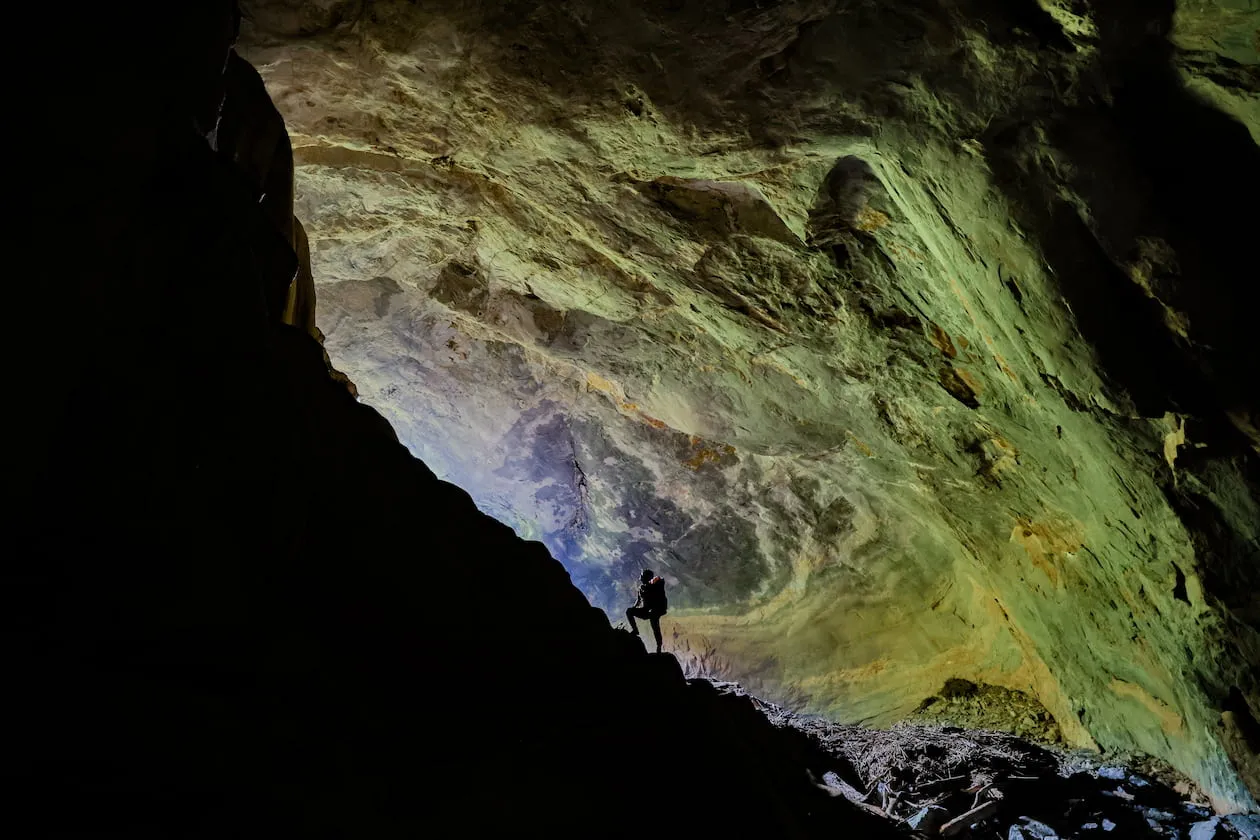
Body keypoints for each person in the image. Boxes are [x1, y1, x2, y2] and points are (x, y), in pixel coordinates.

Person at [626, 570, 668, 653]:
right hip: (646, 611)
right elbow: (638, 601)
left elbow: (660, 579)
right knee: (629, 611)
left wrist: (651, 582)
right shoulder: (642, 588)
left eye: (642, 576)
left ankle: (659, 646)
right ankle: (635, 630)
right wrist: (633, 609)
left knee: (655, 626)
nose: (640, 578)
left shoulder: (657, 584)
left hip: (657, 610)